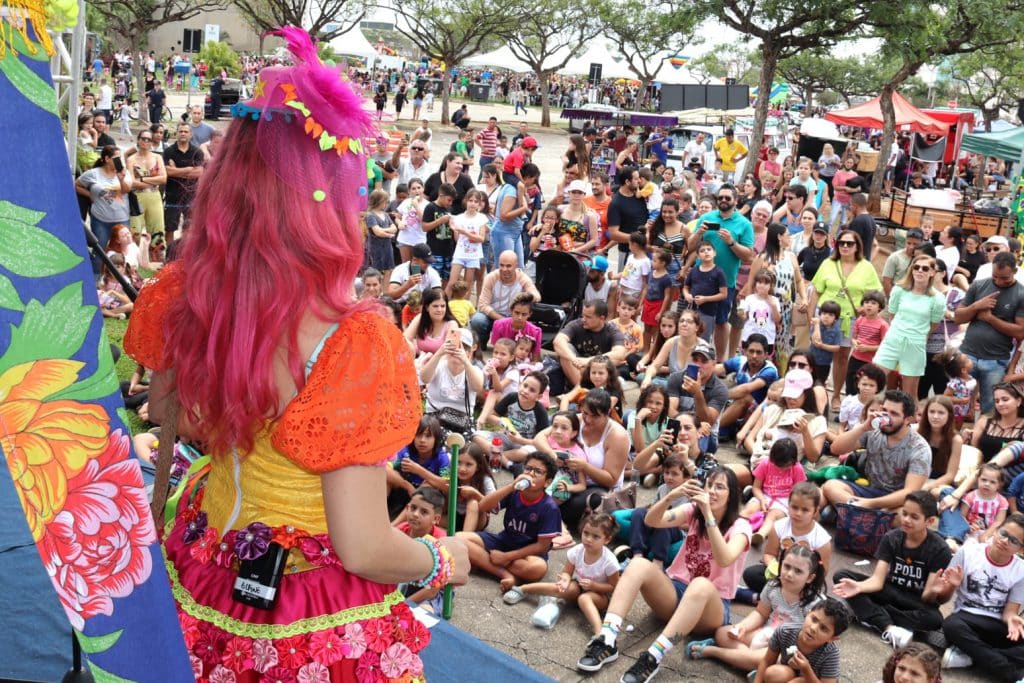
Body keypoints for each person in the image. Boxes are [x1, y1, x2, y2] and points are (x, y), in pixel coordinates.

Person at [122, 30, 467, 680]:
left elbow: (169, 411)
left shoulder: (181, 294)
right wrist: (445, 557)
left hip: (201, 568)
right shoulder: (353, 341)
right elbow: (361, 545)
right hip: (305, 615)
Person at [575, 468, 751, 682]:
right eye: (709, 485)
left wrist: (709, 516)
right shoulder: (693, 510)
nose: (712, 491)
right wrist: (672, 495)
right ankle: (607, 639)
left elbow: (724, 558)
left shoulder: (741, 527)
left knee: (701, 585)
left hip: (710, 609)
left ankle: (653, 657)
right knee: (638, 564)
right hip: (675, 593)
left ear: (732, 494)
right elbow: (652, 520)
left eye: (720, 487)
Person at [832, 491, 952, 649]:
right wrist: (859, 587)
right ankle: (889, 627)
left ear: (929, 521)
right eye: (904, 513)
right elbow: (877, 581)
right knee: (841, 576)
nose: (907, 520)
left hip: (914, 601)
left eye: (914, 517)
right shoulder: (892, 538)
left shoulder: (940, 549)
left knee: (935, 619)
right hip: (889, 590)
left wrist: (937, 591)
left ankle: (870, 614)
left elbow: (927, 597)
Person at [688, 545, 826, 674]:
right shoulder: (773, 586)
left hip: (784, 648)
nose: (789, 574)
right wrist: (743, 627)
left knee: (771, 662)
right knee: (722, 633)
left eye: (798, 571)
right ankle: (749, 664)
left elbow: (812, 638)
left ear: (810, 578)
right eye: (787, 566)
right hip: (764, 634)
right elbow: (760, 613)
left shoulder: (816, 603)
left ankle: (713, 652)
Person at [934, 514, 1024, 680]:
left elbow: (1009, 613)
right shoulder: (968, 553)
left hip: (996, 624)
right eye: (1004, 533)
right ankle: (1014, 674)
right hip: (966, 618)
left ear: (1021, 549)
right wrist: (951, 585)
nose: (1005, 541)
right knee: (951, 626)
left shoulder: (1020, 570)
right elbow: (941, 600)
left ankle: (971, 656)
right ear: (996, 530)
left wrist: (1013, 619)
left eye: (1014, 541)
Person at [457, 452, 561, 592]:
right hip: (504, 541)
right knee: (459, 538)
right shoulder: (514, 492)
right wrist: (512, 486)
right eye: (528, 468)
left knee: (537, 569)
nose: (530, 474)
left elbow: (541, 546)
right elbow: (483, 507)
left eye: (538, 471)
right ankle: (506, 574)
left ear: (548, 481)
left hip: (526, 555)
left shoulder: (549, 507)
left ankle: (482, 561)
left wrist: (506, 557)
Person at [509, 512, 620, 635]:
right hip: (579, 586)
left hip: (600, 596)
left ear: (607, 539)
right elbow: (567, 572)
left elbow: (613, 587)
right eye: (586, 533)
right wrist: (565, 580)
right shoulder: (577, 551)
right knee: (562, 588)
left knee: (584, 599)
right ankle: (523, 589)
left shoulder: (610, 562)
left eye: (595, 536)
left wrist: (594, 586)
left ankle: (599, 633)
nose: (588, 539)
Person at [808, 230, 883, 411]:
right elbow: (816, 290)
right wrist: (812, 317)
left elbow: (877, 293)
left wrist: (864, 308)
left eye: (850, 243)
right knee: (818, 354)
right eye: (841, 243)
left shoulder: (866, 267)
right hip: (825, 316)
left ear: (857, 246)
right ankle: (815, 392)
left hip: (849, 318)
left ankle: (835, 396)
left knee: (841, 357)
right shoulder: (828, 263)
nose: (845, 247)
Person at [823, 391, 930, 512]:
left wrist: (869, 504)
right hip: (868, 490)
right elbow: (835, 448)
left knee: (904, 515)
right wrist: (863, 428)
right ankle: (861, 516)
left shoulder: (920, 449)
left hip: (895, 501)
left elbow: (909, 492)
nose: (886, 417)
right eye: (885, 410)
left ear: (908, 419)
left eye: (894, 414)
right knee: (831, 486)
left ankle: (848, 513)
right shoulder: (873, 430)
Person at [684, 183, 755, 359]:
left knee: (721, 322)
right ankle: (693, 356)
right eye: (720, 197)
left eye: (727, 198)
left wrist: (732, 242)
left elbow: (749, 255)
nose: (723, 200)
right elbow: (690, 246)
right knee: (696, 320)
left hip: (726, 281)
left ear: (736, 200)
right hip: (700, 278)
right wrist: (699, 232)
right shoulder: (707, 217)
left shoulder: (744, 224)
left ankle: (721, 360)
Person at [954, 251, 1024, 415]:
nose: (999, 281)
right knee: (956, 404)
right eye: (995, 276)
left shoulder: (1021, 294)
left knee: (991, 408)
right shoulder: (979, 285)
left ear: (1015, 271)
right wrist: (976, 306)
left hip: (996, 360)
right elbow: (958, 317)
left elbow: (1021, 333)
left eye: (1004, 278)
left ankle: (983, 439)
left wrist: (990, 318)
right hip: (967, 355)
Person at [872, 254, 946, 398]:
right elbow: (892, 314)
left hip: (916, 343)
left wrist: (918, 335)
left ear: (932, 272)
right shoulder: (899, 290)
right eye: (916, 267)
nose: (919, 271)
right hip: (893, 339)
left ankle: (910, 420)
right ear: (911, 269)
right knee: (873, 378)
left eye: (925, 268)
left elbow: (934, 323)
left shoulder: (937, 298)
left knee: (909, 393)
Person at [752, 598, 852, 683]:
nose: (813, 628)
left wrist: (806, 669)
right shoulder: (785, 632)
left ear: (832, 638)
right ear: (807, 614)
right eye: (814, 619)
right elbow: (767, 661)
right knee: (772, 674)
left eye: (823, 628)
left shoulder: (830, 654)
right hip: (788, 672)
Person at [471, 252, 540, 350]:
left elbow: (537, 296)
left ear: (516, 266)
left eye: (508, 266)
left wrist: (527, 296)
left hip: (514, 317)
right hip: (492, 315)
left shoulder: (523, 278)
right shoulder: (491, 277)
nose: (504, 269)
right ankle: (481, 342)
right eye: (501, 265)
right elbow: (482, 305)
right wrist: (502, 320)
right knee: (477, 320)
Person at [553, 301, 627, 389]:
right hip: (576, 366)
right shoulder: (576, 324)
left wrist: (588, 361)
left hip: (598, 369)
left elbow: (620, 354)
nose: (583, 319)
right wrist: (574, 359)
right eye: (583, 315)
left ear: (602, 318)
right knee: (565, 351)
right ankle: (581, 390)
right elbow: (558, 341)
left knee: (616, 361)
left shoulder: (612, 330)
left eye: (588, 317)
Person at [162, 121, 204, 240]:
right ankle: (170, 255)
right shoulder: (168, 151)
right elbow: (167, 172)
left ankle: (184, 255)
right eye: (180, 131)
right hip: (172, 196)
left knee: (189, 228)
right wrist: (188, 169)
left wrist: (176, 170)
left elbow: (199, 172)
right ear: (176, 133)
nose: (183, 134)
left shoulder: (197, 152)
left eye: (186, 131)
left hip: (190, 196)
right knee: (170, 228)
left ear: (191, 134)